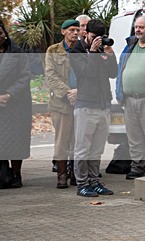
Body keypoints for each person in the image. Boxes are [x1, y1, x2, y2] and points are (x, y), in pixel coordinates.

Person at [69, 18, 117, 197]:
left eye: (100, 37)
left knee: (97, 149)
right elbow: (87, 73)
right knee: (83, 148)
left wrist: (110, 55)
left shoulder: (102, 49)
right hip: (85, 105)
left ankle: (94, 181)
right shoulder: (76, 51)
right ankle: (82, 184)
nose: (97, 40)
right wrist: (92, 52)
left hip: (103, 105)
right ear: (85, 33)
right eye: (94, 36)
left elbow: (113, 73)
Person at [116, 12, 145, 179]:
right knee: (134, 136)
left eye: (141, 27)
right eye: (136, 27)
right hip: (129, 99)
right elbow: (121, 69)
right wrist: (119, 93)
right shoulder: (130, 46)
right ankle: (137, 167)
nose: (138, 30)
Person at [45, 19, 81, 189]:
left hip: (80, 100)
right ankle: (61, 175)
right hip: (60, 103)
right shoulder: (53, 50)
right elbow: (51, 76)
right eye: (72, 30)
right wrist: (68, 93)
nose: (75, 33)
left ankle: (74, 174)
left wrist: (79, 92)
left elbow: (89, 74)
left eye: (77, 30)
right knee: (61, 140)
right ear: (63, 31)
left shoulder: (82, 50)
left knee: (77, 140)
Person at [0, 20, 32, 189]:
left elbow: (25, 76)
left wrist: (9, 94)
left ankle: (17, 173)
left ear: (5, 33)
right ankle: (4, 175)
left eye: (0, 33)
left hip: (17, 103)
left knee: (17, 140)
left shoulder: (17, 52)